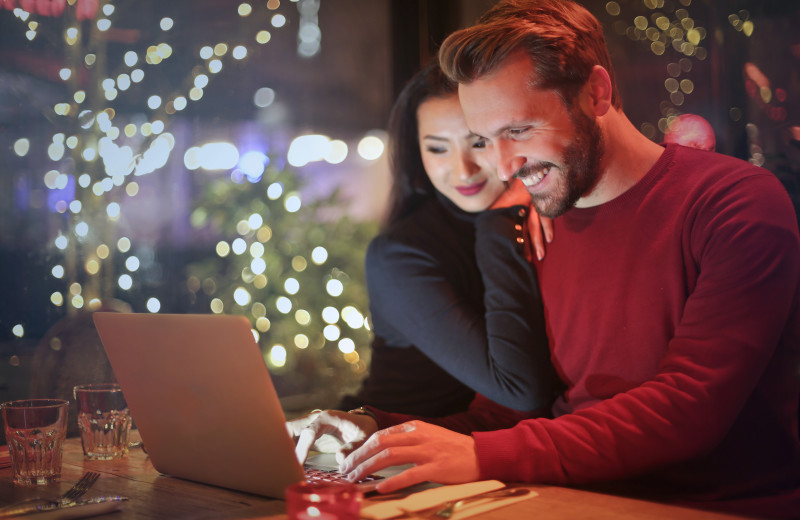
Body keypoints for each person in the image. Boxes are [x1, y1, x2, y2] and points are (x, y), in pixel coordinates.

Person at [301, 1, 800, 517]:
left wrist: (481, 454)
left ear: (596, 93)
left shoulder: (734, 202)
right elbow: (512, 417)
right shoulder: (537, 223)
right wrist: (376, 430)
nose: (502, 165)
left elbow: (690, 405)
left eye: (517, 131)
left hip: (715, 507)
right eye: (485, 139)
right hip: (565, 500)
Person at [288, 60, 561, 459]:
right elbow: (521, 390)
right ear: (417, 153)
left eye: (478, 143)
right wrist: (500, 218)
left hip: (470, 454)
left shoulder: (539, 219)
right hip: (378, 452)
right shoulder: (401, 254)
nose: (462, 169)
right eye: (437, 148)